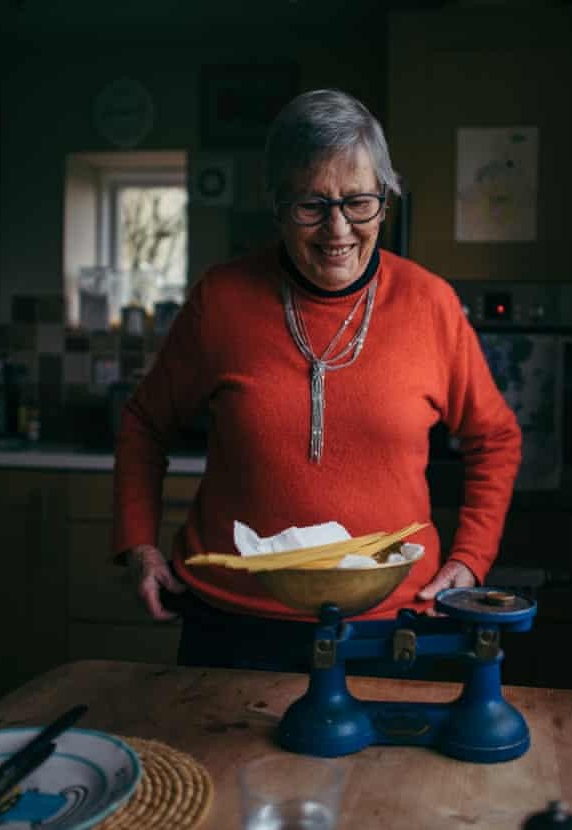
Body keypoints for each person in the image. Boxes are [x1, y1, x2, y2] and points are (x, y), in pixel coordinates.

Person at [113, 88, 522, 671]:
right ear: (277, 205)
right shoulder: (220, 299)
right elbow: (144, 422)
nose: (338, 230)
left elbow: (495, 438)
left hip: (391, 627)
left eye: (359, 203)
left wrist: (471, 558)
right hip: (232, 624)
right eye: (311, 205)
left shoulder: (431, 303)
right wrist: (140, 545)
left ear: (385, 199)